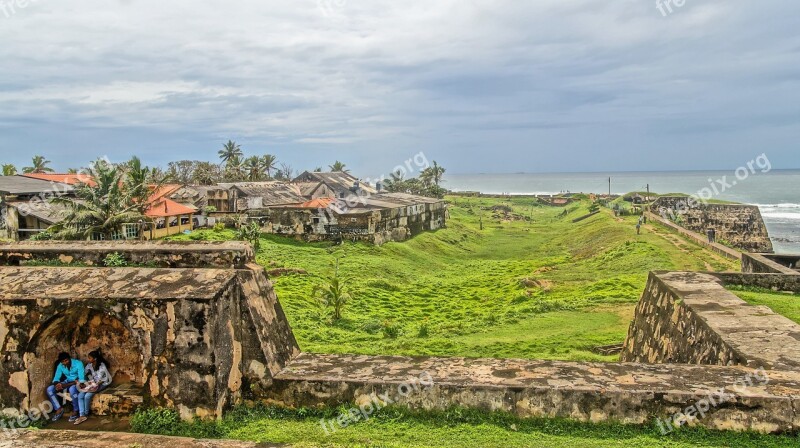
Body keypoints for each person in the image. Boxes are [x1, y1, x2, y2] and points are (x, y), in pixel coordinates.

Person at [74, 350, 112, 425]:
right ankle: (82, 415)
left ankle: (85, 414)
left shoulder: (102, 366)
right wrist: (81, 381)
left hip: (103, 383)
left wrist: (91, 386)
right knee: (80, 395)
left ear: (95, 358)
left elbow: (100, 380)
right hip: (92, 383)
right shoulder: (89, 365)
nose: (88, 359)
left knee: (87, 396)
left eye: (90, 358)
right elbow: (85, 374)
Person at [46, 352, 85, 422]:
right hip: (67, 381)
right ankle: (59, 409)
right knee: (50, 389)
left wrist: (64, 385)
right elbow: (56, 378)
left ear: (69, 359)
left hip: (78, 383)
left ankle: (76, 411)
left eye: (66, 360)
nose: (65, 363)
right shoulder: (60, 365)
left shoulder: (78, 363)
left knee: (72, 389)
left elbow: (81, 381)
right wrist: (57, 385)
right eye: (63, 361)